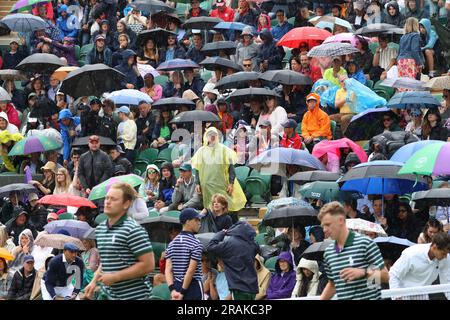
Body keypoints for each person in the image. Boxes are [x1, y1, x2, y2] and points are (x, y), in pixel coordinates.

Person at [84, 182, 154, 300]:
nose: (107, 201)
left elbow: (148, 265)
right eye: (107, 198)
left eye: (113, 199)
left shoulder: (133, 230)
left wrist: (116, 277)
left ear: (126, 204)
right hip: (109, 295)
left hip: (135, 296)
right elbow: (106, 260)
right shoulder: (100, 229)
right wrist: (93, 281)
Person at [319, 202, 389, 300]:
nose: (324, 230)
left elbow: (386, 276)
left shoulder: (365, 243)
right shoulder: (329, 253)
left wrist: (364, 272)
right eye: (323, 226)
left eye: (328, 225)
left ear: (341, 221)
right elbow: (333, 284)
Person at [192, 127, 247, 212]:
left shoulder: (224, 150)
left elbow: (231, 168)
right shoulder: (201, 151)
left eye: (214, 134)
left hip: (221, 184)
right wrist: (197, 183)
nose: (212, 136)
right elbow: (197, 169)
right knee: (210, 207)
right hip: (206, 186)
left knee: (224, 205)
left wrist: (231, 183)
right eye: (210, 134)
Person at [206, 221, 259, 300]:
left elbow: (210, 246)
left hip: (239, 288)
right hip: (252, 288)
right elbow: (257, 248)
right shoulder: (252, 244)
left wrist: (221, 233)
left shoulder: (229, 243)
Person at [389, 232, 450, 299]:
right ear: (434, 247)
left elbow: (447, 282)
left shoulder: (446, 258)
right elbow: (393, 274)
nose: (445, 257)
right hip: (403, 294)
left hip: (423, 294)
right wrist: (397, 297)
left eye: (446, 254)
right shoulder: (411, 254)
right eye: (443, 253)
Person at [165, 208, 203, 300]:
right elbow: (190, 271)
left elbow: (168, 270)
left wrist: (172, 290)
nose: (199, 222)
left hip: (177, 286)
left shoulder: (172, 243)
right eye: (196, 220)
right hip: (193, 287)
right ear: (188, 222)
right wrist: (182, 292)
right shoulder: (196, 243)